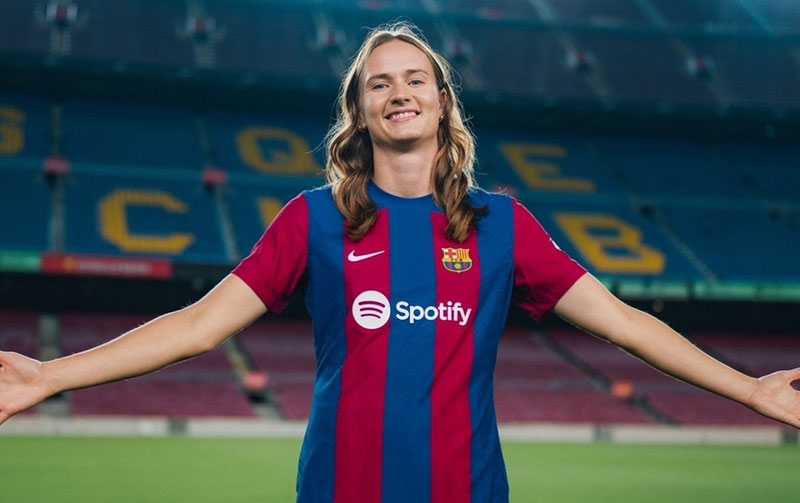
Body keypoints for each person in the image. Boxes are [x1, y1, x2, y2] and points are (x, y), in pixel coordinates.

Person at [1, 22, 799, 503]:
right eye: (378, 83)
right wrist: (48, 375)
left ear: (443, 100)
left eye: (416, 78)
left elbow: (624, 323)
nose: (399, 91)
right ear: (359, 109)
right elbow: (197, 326)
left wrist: (750, 388)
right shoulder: (312, 219)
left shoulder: (502, 225)